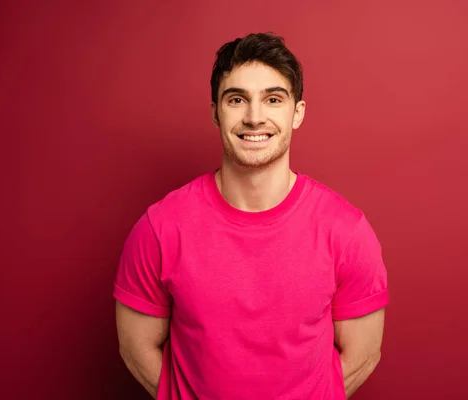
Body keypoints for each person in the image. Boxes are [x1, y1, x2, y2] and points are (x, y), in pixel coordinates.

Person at [113, 32, 389, 400]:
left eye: (273, 99)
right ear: (215, 111)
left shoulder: (347, 231)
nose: (254, 117)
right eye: (237, 99)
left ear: (297, 113)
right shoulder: (160, 228)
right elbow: (136, 349)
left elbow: (363, 355)